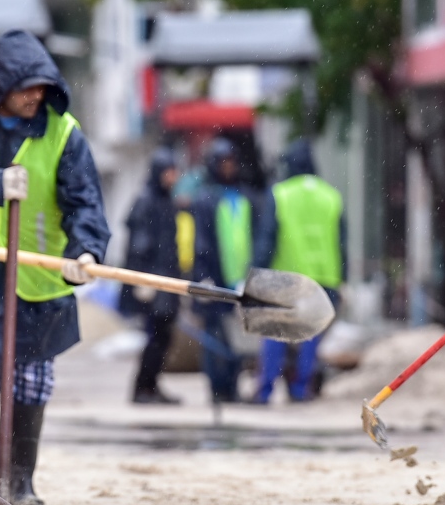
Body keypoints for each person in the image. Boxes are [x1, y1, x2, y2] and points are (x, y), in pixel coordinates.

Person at [0, 30, 110, 505]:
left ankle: (19, 483)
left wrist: (87, 252)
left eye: (42, 87)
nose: (35, 96)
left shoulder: (63, 133)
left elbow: (85, 205)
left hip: (36, 280)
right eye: (25, 87)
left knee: (30, 380)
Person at [254, 139, 343, 404]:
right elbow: (342, 240)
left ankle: (266, 389)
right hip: (323, 276)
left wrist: (256, 271)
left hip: (287, 276)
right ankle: (301, 388)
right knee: (310, 336)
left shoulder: (280, 193)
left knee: (276, 332)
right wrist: (343, 278)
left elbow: (268, 237)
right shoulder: (331, 196)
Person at [190, 138, 274, 403]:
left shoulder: (247, 197)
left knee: (239, 339)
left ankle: (233, 386)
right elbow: (200, 242)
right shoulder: (205, 199)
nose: (228, 168)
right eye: (222, 163)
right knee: (215, 338)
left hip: (242, 282)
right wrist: (202, 276)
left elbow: (259, 238)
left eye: (231, 162)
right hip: (215, 281)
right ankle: (218, 389)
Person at [124, 148, 184, 405]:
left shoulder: (166, 201)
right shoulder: (147, 201)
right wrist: (140, 281)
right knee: (155, 337)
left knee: (163, 336)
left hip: (167, 280)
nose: (173, 177)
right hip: (153, 282)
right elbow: (138, 245)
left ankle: (151, 384)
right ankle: (142, 388)